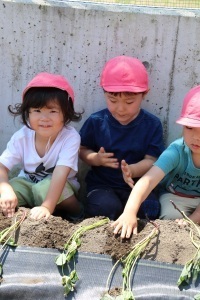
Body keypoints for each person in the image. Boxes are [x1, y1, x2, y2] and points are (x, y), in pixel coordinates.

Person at [79, 56, 165, 221]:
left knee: (151, 209)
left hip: (137, 186)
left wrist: (132, 170)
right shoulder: (96, 121)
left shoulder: (152, 124)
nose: (120, 109)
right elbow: (82, 149)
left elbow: (152, 160)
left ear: (144, 94)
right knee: (105, 208)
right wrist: (95, 158)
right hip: (102, 186)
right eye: (112, 100)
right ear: (104, 93)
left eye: (129, 101)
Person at [112, 85, 200, 238]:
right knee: (171, 221)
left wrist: (192, 221)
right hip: (175, 197)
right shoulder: (177, 151)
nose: (196, 137)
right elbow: (147, 181)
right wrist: (129, 212)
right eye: (189, 127)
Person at [0, 72, 83, 221]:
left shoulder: (70, 137)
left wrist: (47, 207)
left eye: (53, 111)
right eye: (37, 111)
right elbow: (2, 166)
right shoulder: (22, 136)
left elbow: (60, 173)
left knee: (43, 188)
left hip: (60, 187)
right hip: (28, 183)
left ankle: (77, 213)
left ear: (66, 113)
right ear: (28, 113)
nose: (44, 118)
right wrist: (6, 190)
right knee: (8, 190)